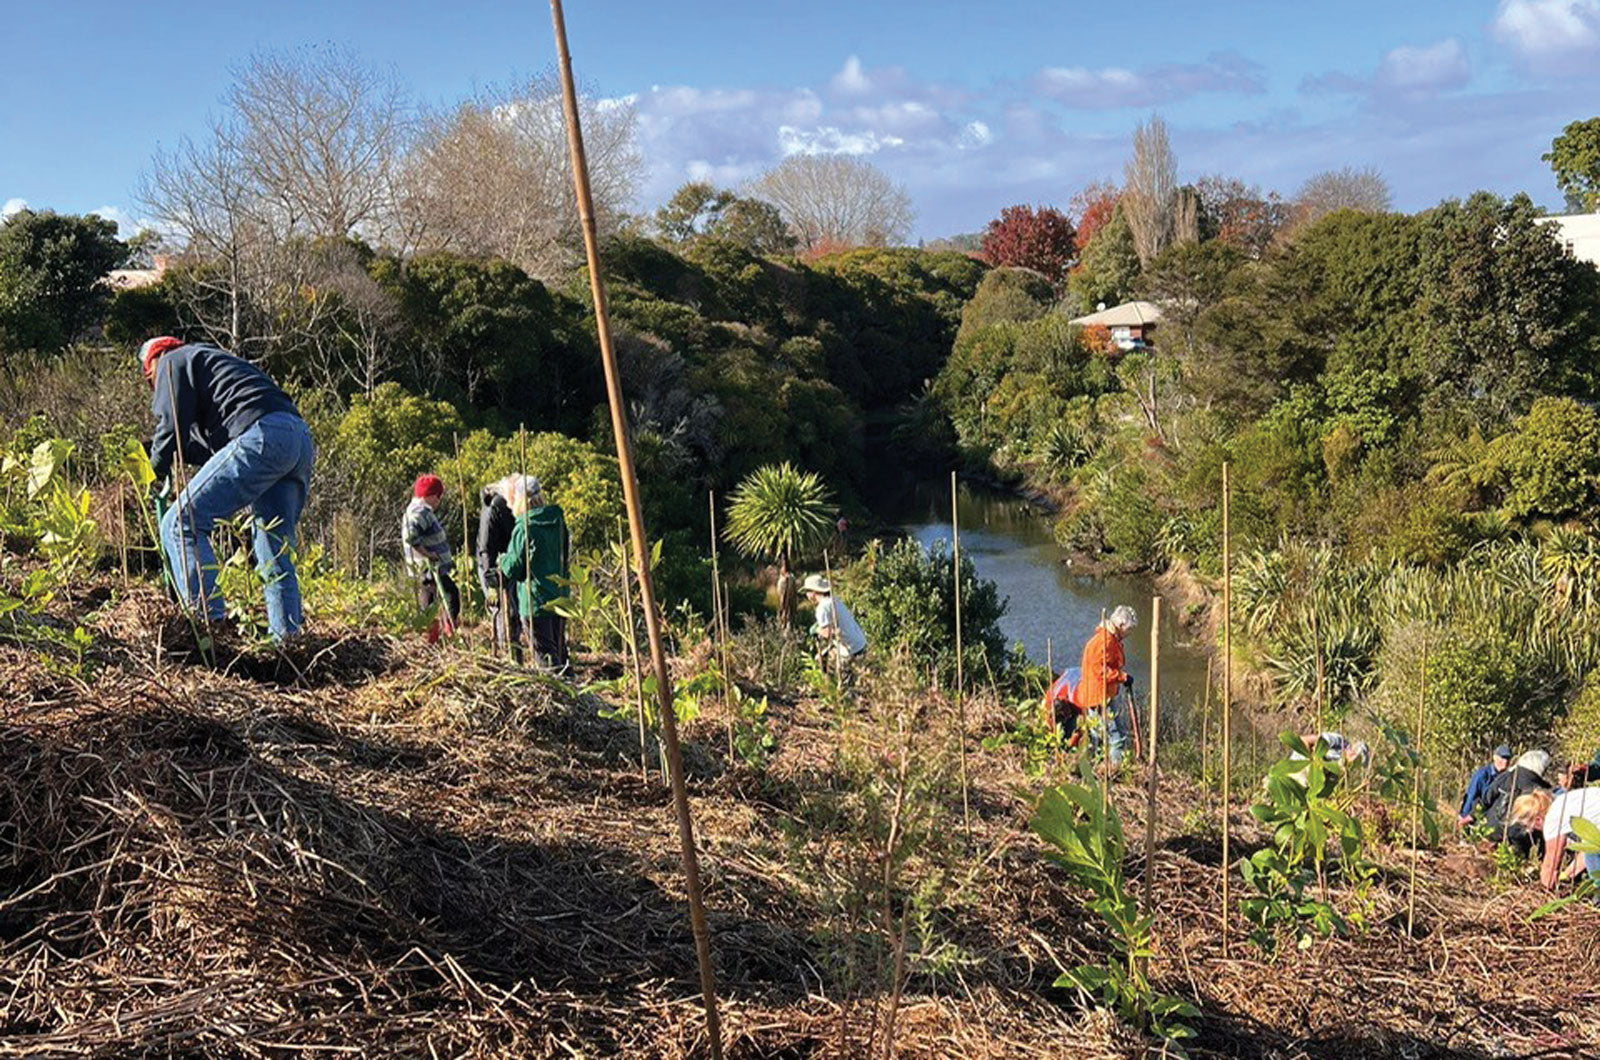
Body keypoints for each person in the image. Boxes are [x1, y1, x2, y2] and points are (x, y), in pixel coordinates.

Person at [142, 336, 315, 642]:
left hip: (261, 435)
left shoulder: (171, 362)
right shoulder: (211, 366)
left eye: (149, 378)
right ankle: (288, 643)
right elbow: (205, 449)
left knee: (181, 522)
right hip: (296, 439)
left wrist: (152, 468)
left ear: (154, 361)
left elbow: (170, 428)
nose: (154, 386)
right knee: (273, 549)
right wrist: (162, 451)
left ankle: (210, 631)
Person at [499, 476, 570, 670]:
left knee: (545, 658)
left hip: (535, 600)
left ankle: (561, 697)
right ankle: (575, 692)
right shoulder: (558, 521)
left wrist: (502, 561)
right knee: (559, 651)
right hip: (559, 596)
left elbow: (513, 567)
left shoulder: (524, 527)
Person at [1072, 606, 1137, 764]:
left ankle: (1091, 768)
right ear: (1121, 625)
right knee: (1116, 737)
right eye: (1129, 629)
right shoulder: (1105, 641)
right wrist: (1122, 677)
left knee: (1097, 737)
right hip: (1099, 696)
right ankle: (1117, 772)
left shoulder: (1109, 639)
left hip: (1098, 694)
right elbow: (1100, 670)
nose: (1129, 633)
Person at [402, 474, 460, 641]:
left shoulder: (417, 510)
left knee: (433, 602)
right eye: (439, 497)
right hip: (429, 569)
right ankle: (440, 636)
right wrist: (429, 554)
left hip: (429, 569)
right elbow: (410, 535)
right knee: (448, 597)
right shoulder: (421, 511)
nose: (439, 502)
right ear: (432, 496)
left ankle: (436, 636)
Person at [476, 475, 521, 659]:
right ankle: (506, 652)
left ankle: (514, 649)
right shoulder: (495, 507)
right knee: (502, 611)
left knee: (513, 611)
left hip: (506, 562)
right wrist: (490, 574)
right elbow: (486, 546)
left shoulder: (509, 507)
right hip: (492, 563)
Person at [1527, 785, 1600, 890]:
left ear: (1538, 820)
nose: (1530, 830)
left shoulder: (1552, 819)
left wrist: (1545, 889)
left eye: (1529, 826)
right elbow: (1588, 849)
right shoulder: (1564, 803)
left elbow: (1550, 865)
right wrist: (1567, 874)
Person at [1483, 750, 1553, 857]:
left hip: (1492, 828)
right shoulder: (1539, 791)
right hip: (1518, 838)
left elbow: (1487, 797)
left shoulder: (1507, 775)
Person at [803, 574, 867, 674]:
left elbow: (827, 633)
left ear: (813, 593)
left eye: (807, 592)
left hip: (850, 650)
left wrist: (816, 630)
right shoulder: (833, 600)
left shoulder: (822, 608)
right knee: (821, 657)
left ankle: (832, 685)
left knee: (822, 665)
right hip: (860, 643)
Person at [1460, 745, 1513, 826]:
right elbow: (1471, 796)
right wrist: (1464, 817)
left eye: (1507, 758)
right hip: (1476, 816)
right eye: (1502, 758)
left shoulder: (1508, 778)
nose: (1505, 761)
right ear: (1494, 757)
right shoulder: (1482, 775)